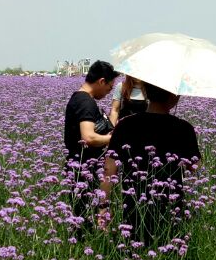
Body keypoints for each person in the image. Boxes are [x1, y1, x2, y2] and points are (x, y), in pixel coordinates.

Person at [103, 80, 201, 246]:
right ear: (174, 96)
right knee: (169, 249)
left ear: (145, 93)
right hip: (171, 204)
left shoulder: (125, 125)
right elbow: (195, 167)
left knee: (132, 248)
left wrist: (103, 207)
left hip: (133, 203)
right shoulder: (184, 128)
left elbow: (109, 170)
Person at [63, 60, 118, 225]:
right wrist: (113, 138)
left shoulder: (78, 97)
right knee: (83, 219)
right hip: (83, 168)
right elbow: (89, 137)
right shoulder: (86, 102)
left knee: (83, 216)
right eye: (109, 87)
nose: (109, 92)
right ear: (101, 81)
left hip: (79, 166)